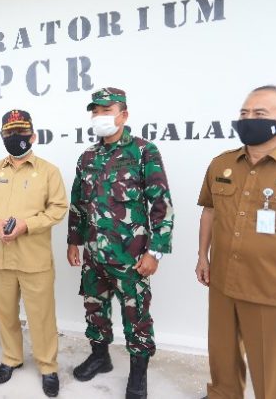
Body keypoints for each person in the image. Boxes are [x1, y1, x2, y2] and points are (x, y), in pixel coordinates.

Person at [195, 85, 276, 399]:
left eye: (259, 113)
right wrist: (203, 256)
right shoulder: (221, 164)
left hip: (272, 289)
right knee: (222, 356)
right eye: (244, 113)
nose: (248, 119)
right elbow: (210, 211)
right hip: (223, 282)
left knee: (271, 371)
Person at [67, 88, 174, 399]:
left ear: (123, 115)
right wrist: (74, 241)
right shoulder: (87, 157)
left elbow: (161, 205)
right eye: (95, 111)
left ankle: (138, 374)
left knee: (136, 316)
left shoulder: (143, 152)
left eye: (106, 110)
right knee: (94, 309)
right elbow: (78, 203)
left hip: (131, 258)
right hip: (94, 256)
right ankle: (100, 357)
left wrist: (155, 252)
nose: (99, 116)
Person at [0, 109, 67, 398]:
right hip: (1, 257)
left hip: (34, 258)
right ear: (2, 136)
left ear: (33, 136)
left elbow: (58, 208)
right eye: (9, 133)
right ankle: (11, 358)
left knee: (41, 316)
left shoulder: (48, 171)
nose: (15, 138)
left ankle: (48, 367)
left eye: (21, 132)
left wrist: (27, 225)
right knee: (6, 313)